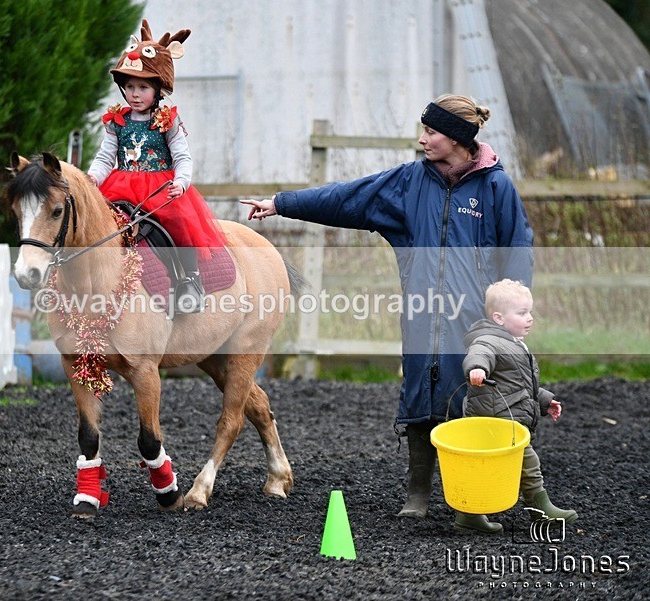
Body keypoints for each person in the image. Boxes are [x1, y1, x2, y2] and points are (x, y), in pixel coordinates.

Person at [241, 94, 534, 518]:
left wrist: (514, 314)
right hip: (421, 313)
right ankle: (418, 493)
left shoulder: (496, 188)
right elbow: (347, 198)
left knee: (469, 398)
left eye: (430, 132)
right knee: (419, 390)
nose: (422, 139)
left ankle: (469, 498)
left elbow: (518, 250)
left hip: (476, 321)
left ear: (455, 138)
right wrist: (281, 203)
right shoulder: (409, 183)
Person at [87, 19, 226, 313]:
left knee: (181, 224)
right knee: (100, 224)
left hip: (160, 187)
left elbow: (183, 158)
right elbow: (104, 157)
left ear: (157, 89)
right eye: (129, 87)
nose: (135, 94)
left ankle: (189, 279)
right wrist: (92, 178)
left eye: (142, 87)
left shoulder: (167, 120)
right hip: (120, 185)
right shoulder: (117, 121)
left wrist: (182, 182)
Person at [458, 279, 578, 533]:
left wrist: (544, 400)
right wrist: (477, 369)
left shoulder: (513, 344)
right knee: (526, 461)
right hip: (495, 420)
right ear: (499, 317)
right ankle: (540, 509)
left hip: (506, 417)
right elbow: (479, 354)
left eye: (530, 311)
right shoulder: (488, 340)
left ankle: (469, 515)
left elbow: (520, 384)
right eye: (522, 313)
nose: (530, 318)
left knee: (488, 467)